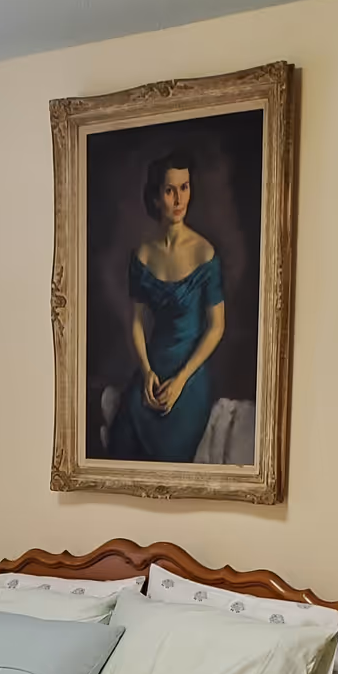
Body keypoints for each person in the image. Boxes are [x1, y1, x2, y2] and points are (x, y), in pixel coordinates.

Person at [105, 150, 226, 463]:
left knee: (171, 457)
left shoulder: (205, 254)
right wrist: (146, 372)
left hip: (190, 372)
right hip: (153, 369)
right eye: (170, 190)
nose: (178, 199)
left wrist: (182, 379)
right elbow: (136, 322)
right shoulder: (143, 256)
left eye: (184, 187)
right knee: (121, 444)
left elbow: (216, 327)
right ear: (156, 196)